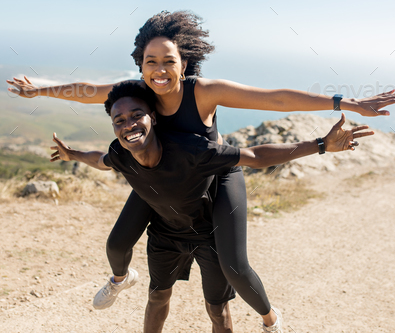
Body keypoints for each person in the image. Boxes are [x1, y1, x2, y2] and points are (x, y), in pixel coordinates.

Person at [7, 10, 395, 329]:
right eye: (150, 62)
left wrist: (347, 103)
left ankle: (271, 321)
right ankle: (119, 278)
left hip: (215, 174)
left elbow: (276, 100)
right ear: (140, 64)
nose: (159, 69)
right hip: (165, 177)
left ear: (184, 63)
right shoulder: (138, 94)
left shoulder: (203, 91)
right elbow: (85, 91)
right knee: (118, 243)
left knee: (233, 266)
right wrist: (37, 88)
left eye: (168, 61)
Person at [50, 82, 375, 333]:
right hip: (165, 233)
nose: (129, 125)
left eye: (137, 115)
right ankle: (121, 279)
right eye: (119, 120)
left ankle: (271, 319)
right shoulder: (120, 153)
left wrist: (320, 145)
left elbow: (254, 156)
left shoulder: (191, 150)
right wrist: (72, 154)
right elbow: (101, 160)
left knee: (217, 308)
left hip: (209, 234)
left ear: (153, 119)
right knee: (157, 297)